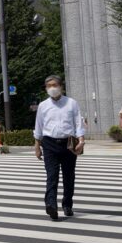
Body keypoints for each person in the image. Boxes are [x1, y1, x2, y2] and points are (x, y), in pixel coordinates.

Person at [33, 75, 85, 221]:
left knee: (69, 176)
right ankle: (51, 206)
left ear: (61, 86)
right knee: (52, 176)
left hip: (68, 143)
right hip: (49, 143)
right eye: (49, 86)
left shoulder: (71, 103)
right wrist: (37, 146)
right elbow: (39, 127)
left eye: (55, 85)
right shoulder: (43, 105)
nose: (52, 88)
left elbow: (78, 124)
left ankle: (67, 204)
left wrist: (81, 141)